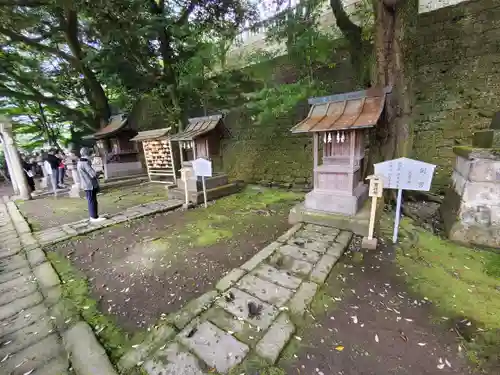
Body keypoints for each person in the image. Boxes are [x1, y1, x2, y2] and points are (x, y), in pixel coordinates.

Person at [77, 147, 105, 223]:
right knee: (92, 201)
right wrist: (99, 172)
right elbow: (93, 174)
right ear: (88, 154)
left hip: (86, 184)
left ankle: (94, 216)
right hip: (89, 184)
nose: (92, 155)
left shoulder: (80, 161)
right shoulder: (85, 162)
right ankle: (93, 217)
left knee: (91, 200)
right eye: (91, 154)